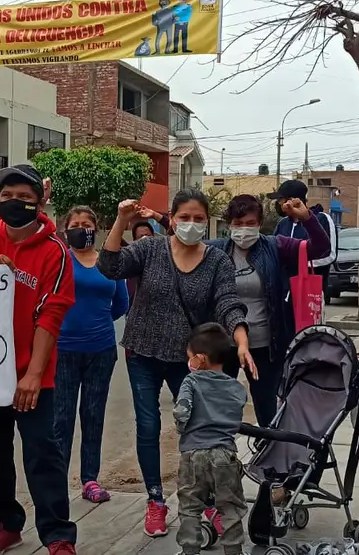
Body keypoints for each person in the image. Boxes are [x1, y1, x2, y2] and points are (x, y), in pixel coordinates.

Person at [97, 189, 251, 539]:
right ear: (172, 219)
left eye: (199, 218)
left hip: (192, 361)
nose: (192, 225)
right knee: (148, 427)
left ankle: (205, 499)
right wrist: (122, 220)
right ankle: (155, 500)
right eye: (185, 217)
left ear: (207, 220)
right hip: (143, 353)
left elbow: (228, 302)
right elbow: (110, 266)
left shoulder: (216, 261)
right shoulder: (150, 249)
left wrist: (241, 339)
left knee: (200, 431)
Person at [0, 164, 77, 555]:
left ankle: (57, 535)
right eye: (6, 197)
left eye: (24, 197)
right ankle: (6, 523)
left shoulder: (54, 251)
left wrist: (34, 375)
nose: (13, 203)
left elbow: (51, 315)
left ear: (39, 202)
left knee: (43, 452)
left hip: (34, 375)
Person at [209, 194, 329, 427]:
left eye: (250, 223)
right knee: (220, 410)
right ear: (229, 224)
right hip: (224, 345)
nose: (244, 229)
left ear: (260, 223)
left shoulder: (277, 246)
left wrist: (306, 218)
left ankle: (268, 459)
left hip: (266, 345)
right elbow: (181, 246)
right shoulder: (216, 251)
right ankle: (223, 458)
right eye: (238, 223)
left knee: (267, 411)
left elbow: (321, 248)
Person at [54, 206, 129, 504]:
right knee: (61, 417)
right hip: (63, 349)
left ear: (96, 229)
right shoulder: (60, 259)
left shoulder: (109, 263)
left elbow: (121, 304)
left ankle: (90, 479)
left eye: (87, 223)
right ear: (65, 229)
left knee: (93, 415)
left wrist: (95, 323)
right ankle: (57, 479)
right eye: (76, 224)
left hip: (101, 350)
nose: (82, 228)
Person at [174, 324, 248, 555]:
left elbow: (181, 412)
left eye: (190, 358)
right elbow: (235, 418)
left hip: (193, 455)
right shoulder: (237, 388)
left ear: (200, 359)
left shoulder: (191, 381)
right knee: (230, 507)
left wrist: (182, 428)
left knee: (189, 506)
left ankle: (190, 550)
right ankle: (234, 550)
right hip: (225, 455)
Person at [270, 180, 337, 302]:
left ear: (292, 200)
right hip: (284, 293)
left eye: (281, 200)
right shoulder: (283, 224)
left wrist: (298, 264)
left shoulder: (322, 219)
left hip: (310, 293)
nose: (278, 204)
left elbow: (330, 254)